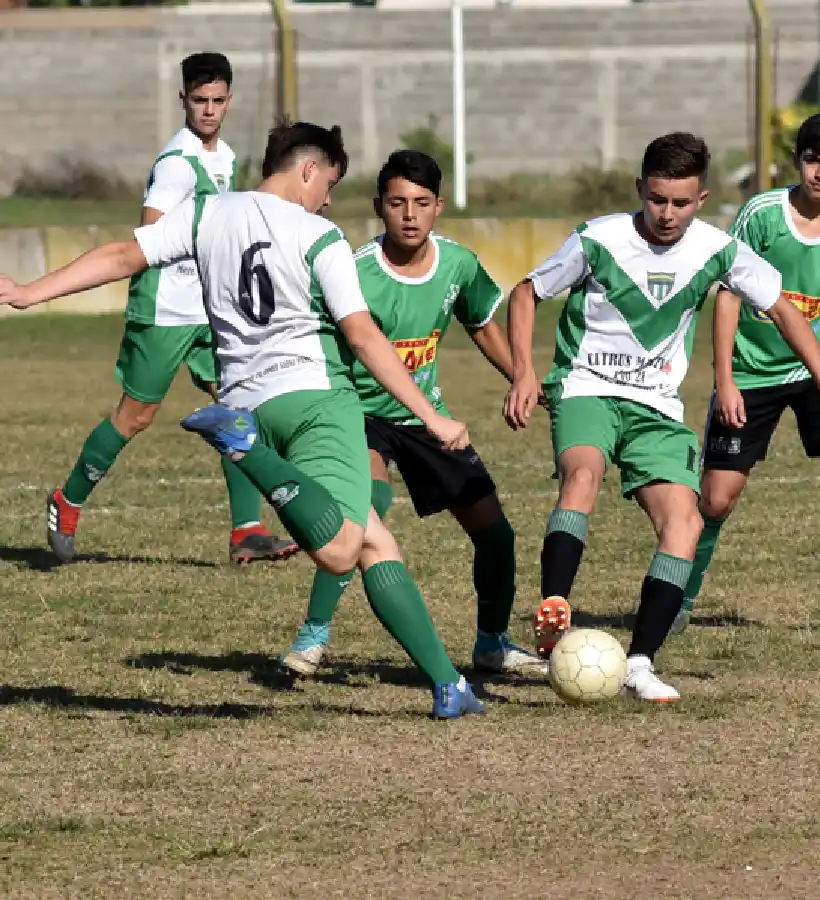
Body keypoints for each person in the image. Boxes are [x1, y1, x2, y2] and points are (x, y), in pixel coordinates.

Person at [0, 122, 486, 720]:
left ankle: (448, 686)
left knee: (375, 541)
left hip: (244, 396)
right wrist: (431, 415)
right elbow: (360, 335)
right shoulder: (318, 234)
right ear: (307, 170)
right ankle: (246, 449)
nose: (328, 198)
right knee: (340, 551)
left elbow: (124, 254)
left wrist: (29, 292)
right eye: (328, 183)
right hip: (312, 399)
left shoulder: (206, 213)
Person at [503, 131, 820, 702]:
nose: (667, 214)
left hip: (657, 407)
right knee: (583, 476)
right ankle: (556, 614)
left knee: (686, 523)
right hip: (586, 389)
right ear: (640, 189)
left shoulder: (717, 248)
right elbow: (525, 294)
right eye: (658, 199)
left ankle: (640, 662)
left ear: (701, 198)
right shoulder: (599, 239)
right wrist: (524, 370)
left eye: (682, 202)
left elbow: (785, 311)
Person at [280, 149, 545, 679]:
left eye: (421, 203)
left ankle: (492, 642)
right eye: (397, 202)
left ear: (438, 206)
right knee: (367, 507)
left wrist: (522, 373)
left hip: (425, 416)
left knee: (495, 532)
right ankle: (312, 635)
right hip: (358, 414)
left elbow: (482, 322)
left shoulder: (458, 264)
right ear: (379, 206)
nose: (409, 214)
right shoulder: (353, 270)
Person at [44, 51, 298, 565]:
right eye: (199, 100)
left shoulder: (222, 157)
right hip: (164, 308)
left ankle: (246, 529)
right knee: (135, 417)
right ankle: (67, 500)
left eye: (218, 100)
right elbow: (150, 237)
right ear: (183, 99)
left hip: (208, 307)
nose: (209, 110)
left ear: (230, 100)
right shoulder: (176, 166)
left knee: (239, 403)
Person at [673, 113, 820, 638]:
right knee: (716, 498)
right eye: (812, 161)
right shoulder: (762, 215)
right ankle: (678, 602)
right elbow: (730, 293)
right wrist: (727, 380)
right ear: (797, 162)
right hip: (752, 371)